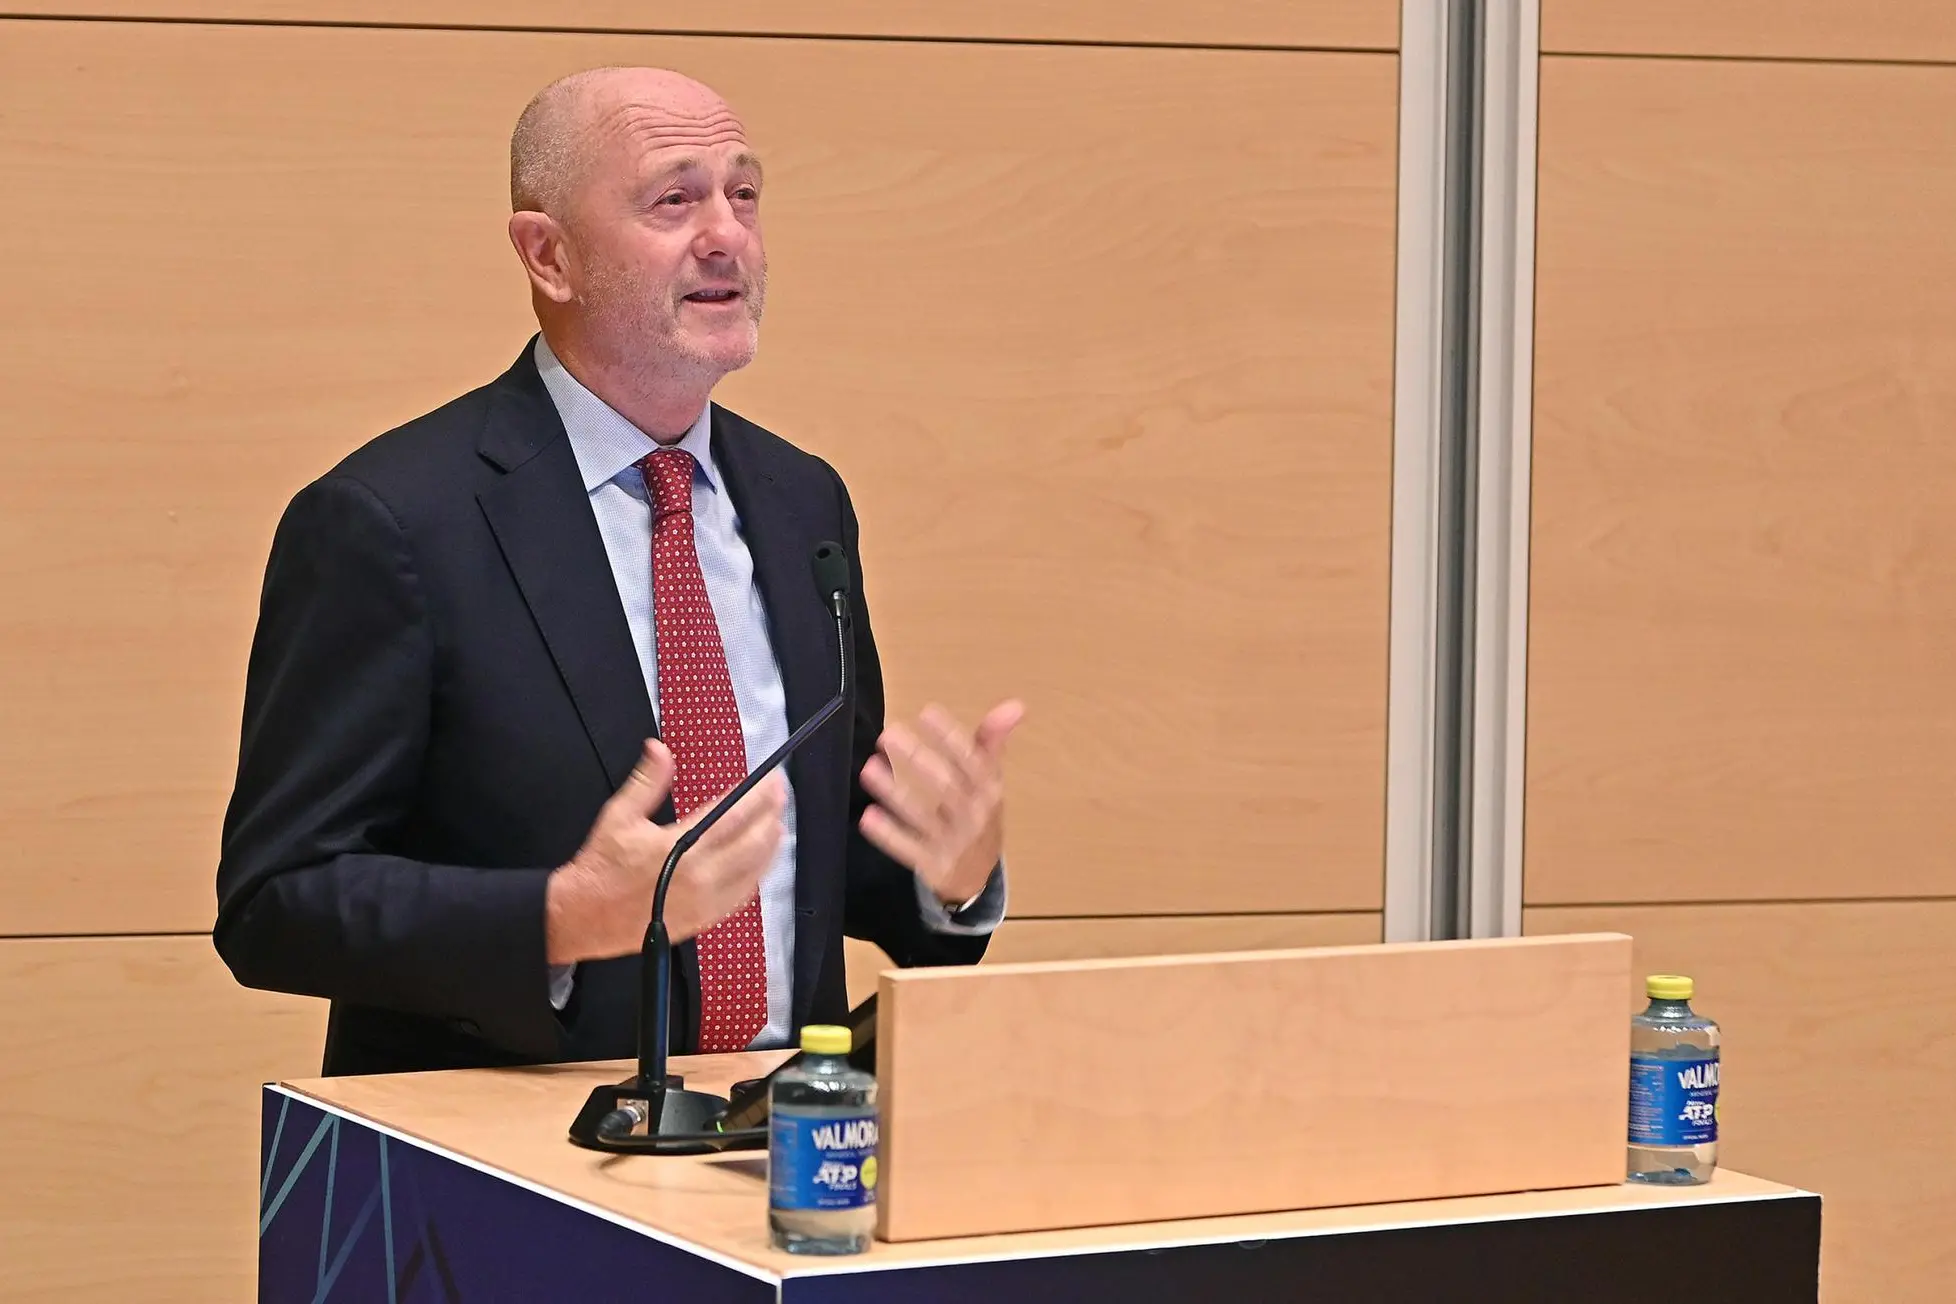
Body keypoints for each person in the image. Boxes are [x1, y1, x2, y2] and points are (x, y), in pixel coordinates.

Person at [214, 66, 1021, 1076]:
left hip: (782, 1141)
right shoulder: (393, 521)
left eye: (745, 194)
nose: (726, 235)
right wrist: (558, 917)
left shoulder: (802, 500)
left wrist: (947, 874)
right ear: (548, 254)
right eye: (674, 199)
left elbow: (812, 862)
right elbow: (275, 901)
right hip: (508, 1169)